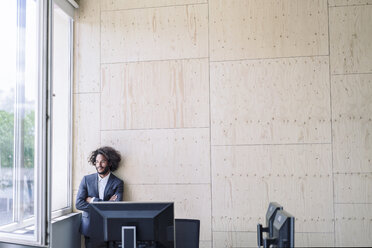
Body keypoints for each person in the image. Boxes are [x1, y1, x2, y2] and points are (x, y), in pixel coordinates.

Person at [76, 146, 124, 248]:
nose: (99, 165)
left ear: (110, 163)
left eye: (103, 162)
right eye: (97, 162)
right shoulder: (86, 180)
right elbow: (79, 204)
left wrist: (93, 200)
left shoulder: (118, 183)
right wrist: (106, 203)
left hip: (109, 229)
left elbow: (116, 206)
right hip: (90, 228)